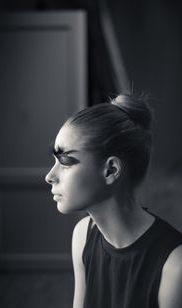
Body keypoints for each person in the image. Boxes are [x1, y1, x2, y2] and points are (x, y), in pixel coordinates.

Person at [45, 93, 182, 308]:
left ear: (111, 170)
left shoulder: (175, 265)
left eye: (65, 162)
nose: (49, 176)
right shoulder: (82, 235)